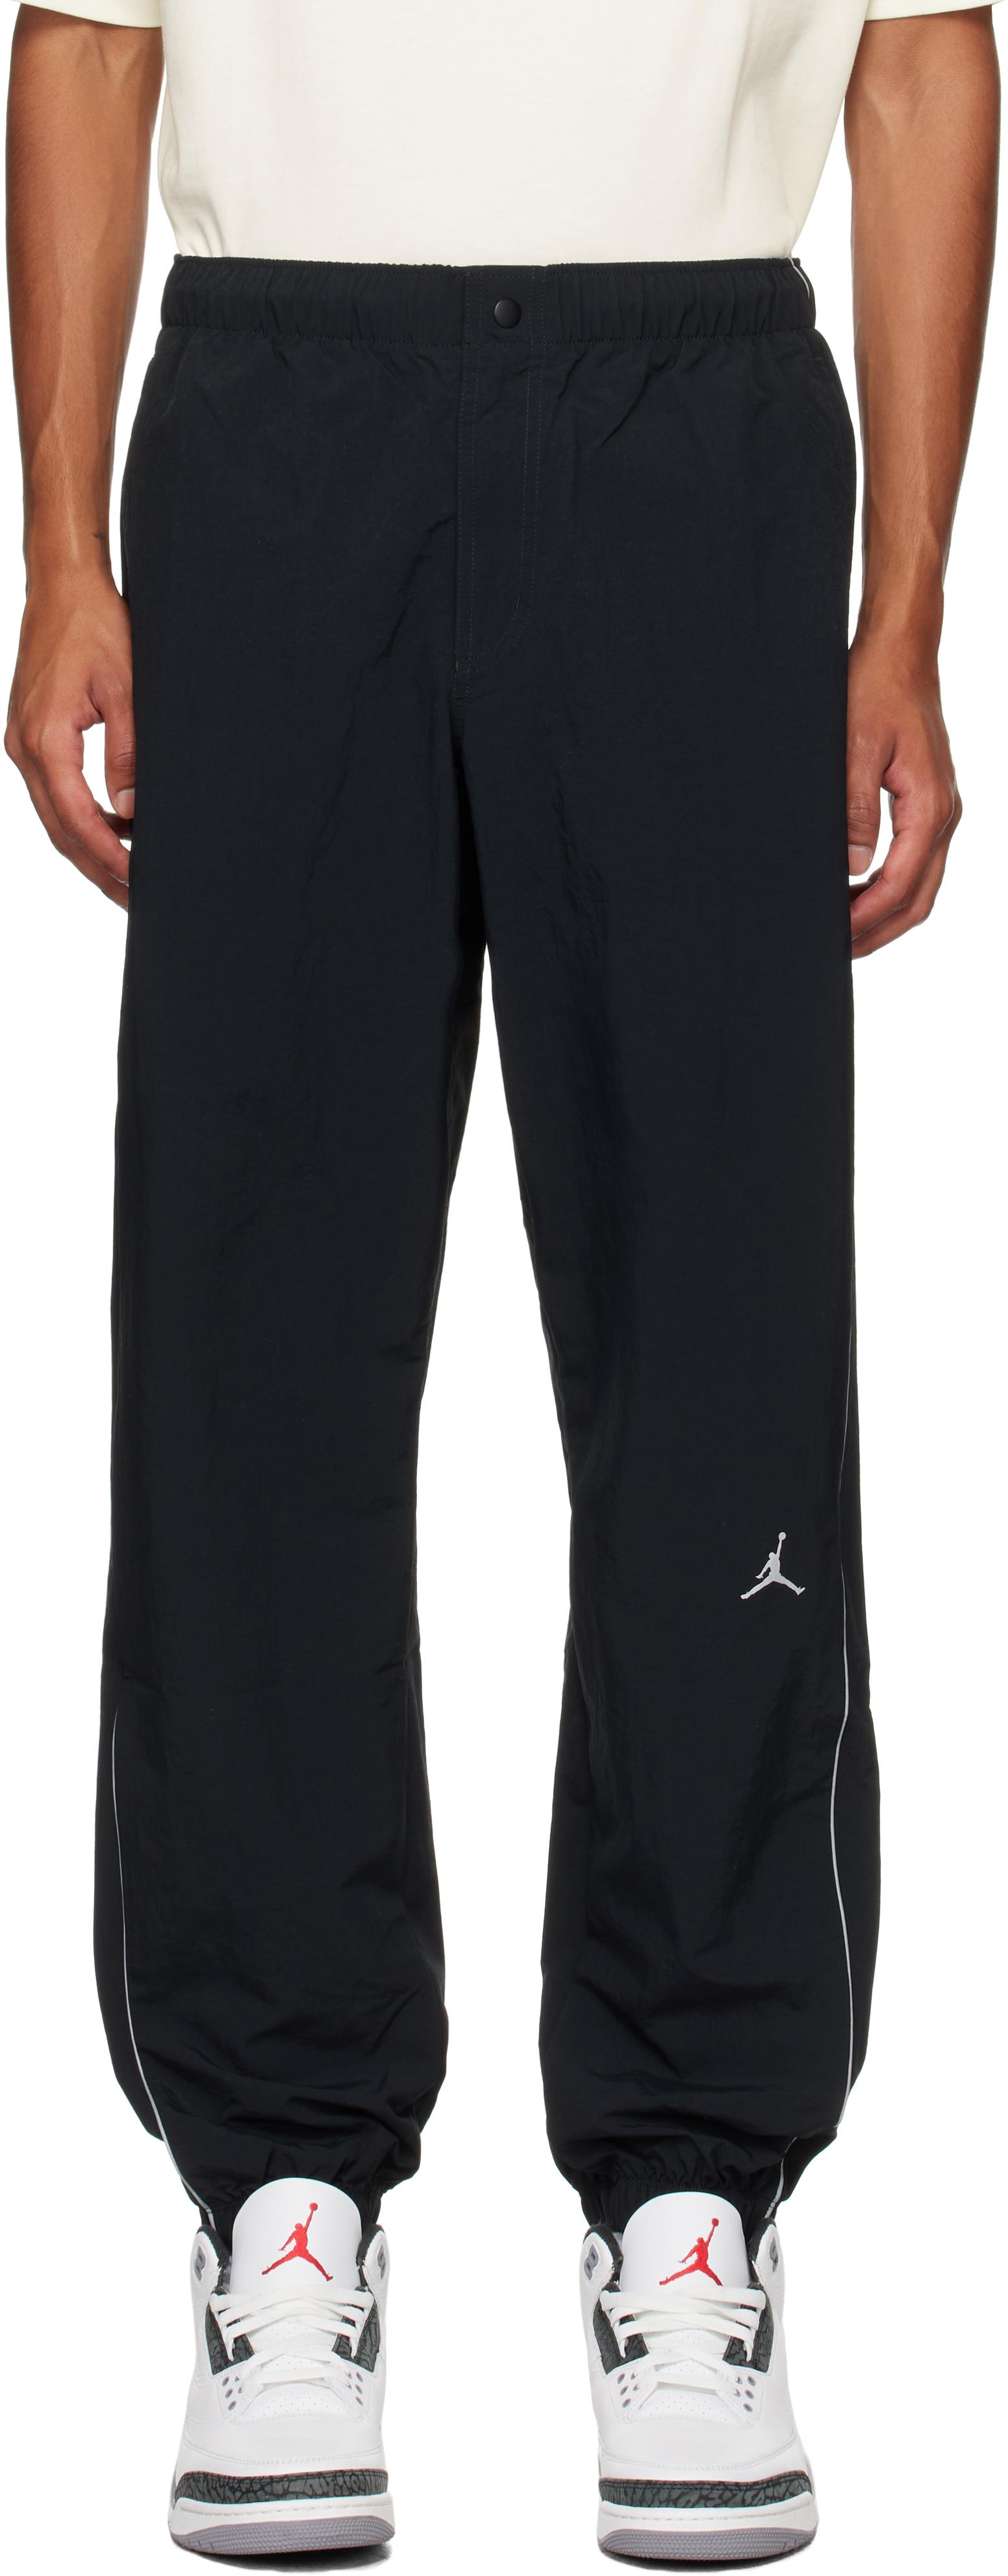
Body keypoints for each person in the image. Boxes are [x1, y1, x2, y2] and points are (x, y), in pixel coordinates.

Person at [4, 1, 1000, 2560]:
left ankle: (693, 2188)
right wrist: (64, 548)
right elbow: (87, 40)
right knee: (250, 1348)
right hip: (279, 414)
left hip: (694, 418)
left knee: (723, 1350)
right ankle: (280, 2187)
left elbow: (919, 56)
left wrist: (904, 608)